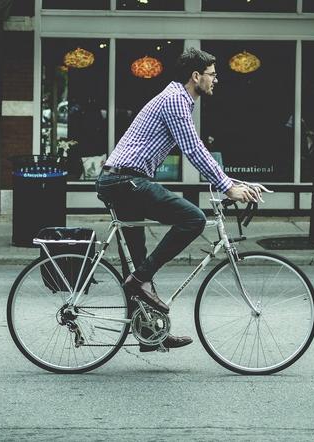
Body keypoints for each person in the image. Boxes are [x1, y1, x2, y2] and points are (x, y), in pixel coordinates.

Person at [95, 47, 259, 352]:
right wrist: (226, 187)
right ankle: (138, 282)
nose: (216, 79)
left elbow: (196, 150)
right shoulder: (175, 101)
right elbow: (194, 150)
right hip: (125, 181)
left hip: (124, 180)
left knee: (139, 258)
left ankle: (148, 332)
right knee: (193, 219)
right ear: (195, 76)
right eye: (212, 74)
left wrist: (238, 183)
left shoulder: (178, 99)